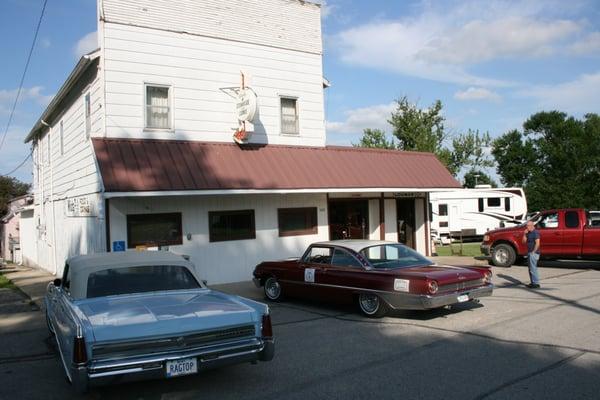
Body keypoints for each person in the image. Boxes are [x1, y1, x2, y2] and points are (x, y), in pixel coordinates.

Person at [522, 221, 541, 288]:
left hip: (534, 253)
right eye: (526, 226)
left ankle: (536, 283)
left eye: (527, 226)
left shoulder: (535, 232)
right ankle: (533, 282)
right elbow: (523, 242)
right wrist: (524, 234)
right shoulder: (528, 233)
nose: (526, 227)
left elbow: (537, 243)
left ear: (532, 225)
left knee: (533, 268)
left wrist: (533, 252)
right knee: (530, 268)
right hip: (529, 252)